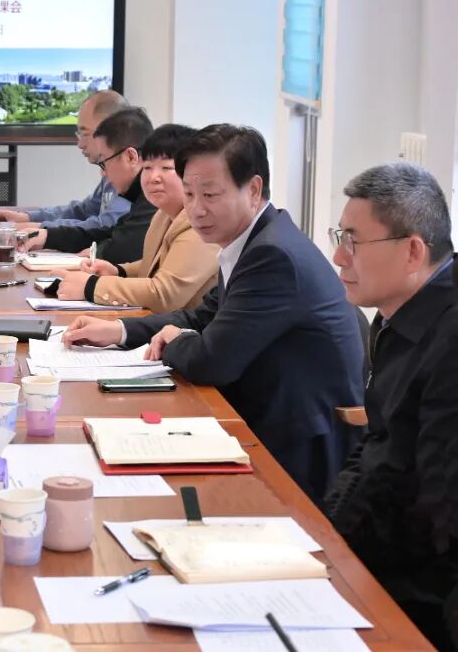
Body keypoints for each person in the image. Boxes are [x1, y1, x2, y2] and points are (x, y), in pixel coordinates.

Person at [63, 124, 363, 503]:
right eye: (189, 194)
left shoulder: (272, 254)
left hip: (295, 446)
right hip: (264, 418)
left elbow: (212, 362)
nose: (196, 209)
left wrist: (176, 341)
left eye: (210, 194)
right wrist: (120, 331)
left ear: (253, 189)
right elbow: (202, 317)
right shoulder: (254, 238)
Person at [323, 163, 458, 650]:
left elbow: (440, 516)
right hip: (377, 558)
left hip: (423, 597)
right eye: (340, 236)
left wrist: (340, 559)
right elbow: (378, 443)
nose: (339, 256)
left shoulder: (449, 340)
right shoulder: (394, 316)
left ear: (413, 251)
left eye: (353, 241)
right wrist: (326, 532)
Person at [48, 124, 219, 312]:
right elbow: (157, 265)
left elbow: (165, 294)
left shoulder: (201, 222)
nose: (153, 177)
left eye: (166, 167)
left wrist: (91, 287)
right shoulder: (163, 214)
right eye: (147, 167)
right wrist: (118, 271)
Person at [20, 107, 157, 263]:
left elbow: (121, 249)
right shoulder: (139, 197)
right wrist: (47, 236)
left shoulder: (154, 198)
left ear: (130, 157)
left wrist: (97, 253)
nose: (103, 173)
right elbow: (109, 233)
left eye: (103, 162)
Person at [0, 89, 130, 231]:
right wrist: (26, 218)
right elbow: (85, 211)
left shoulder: (127, 173)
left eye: (84, 134)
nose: (80, 144)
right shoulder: (110, 170)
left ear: (109, 131)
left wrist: (38, 229)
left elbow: (107, 225)